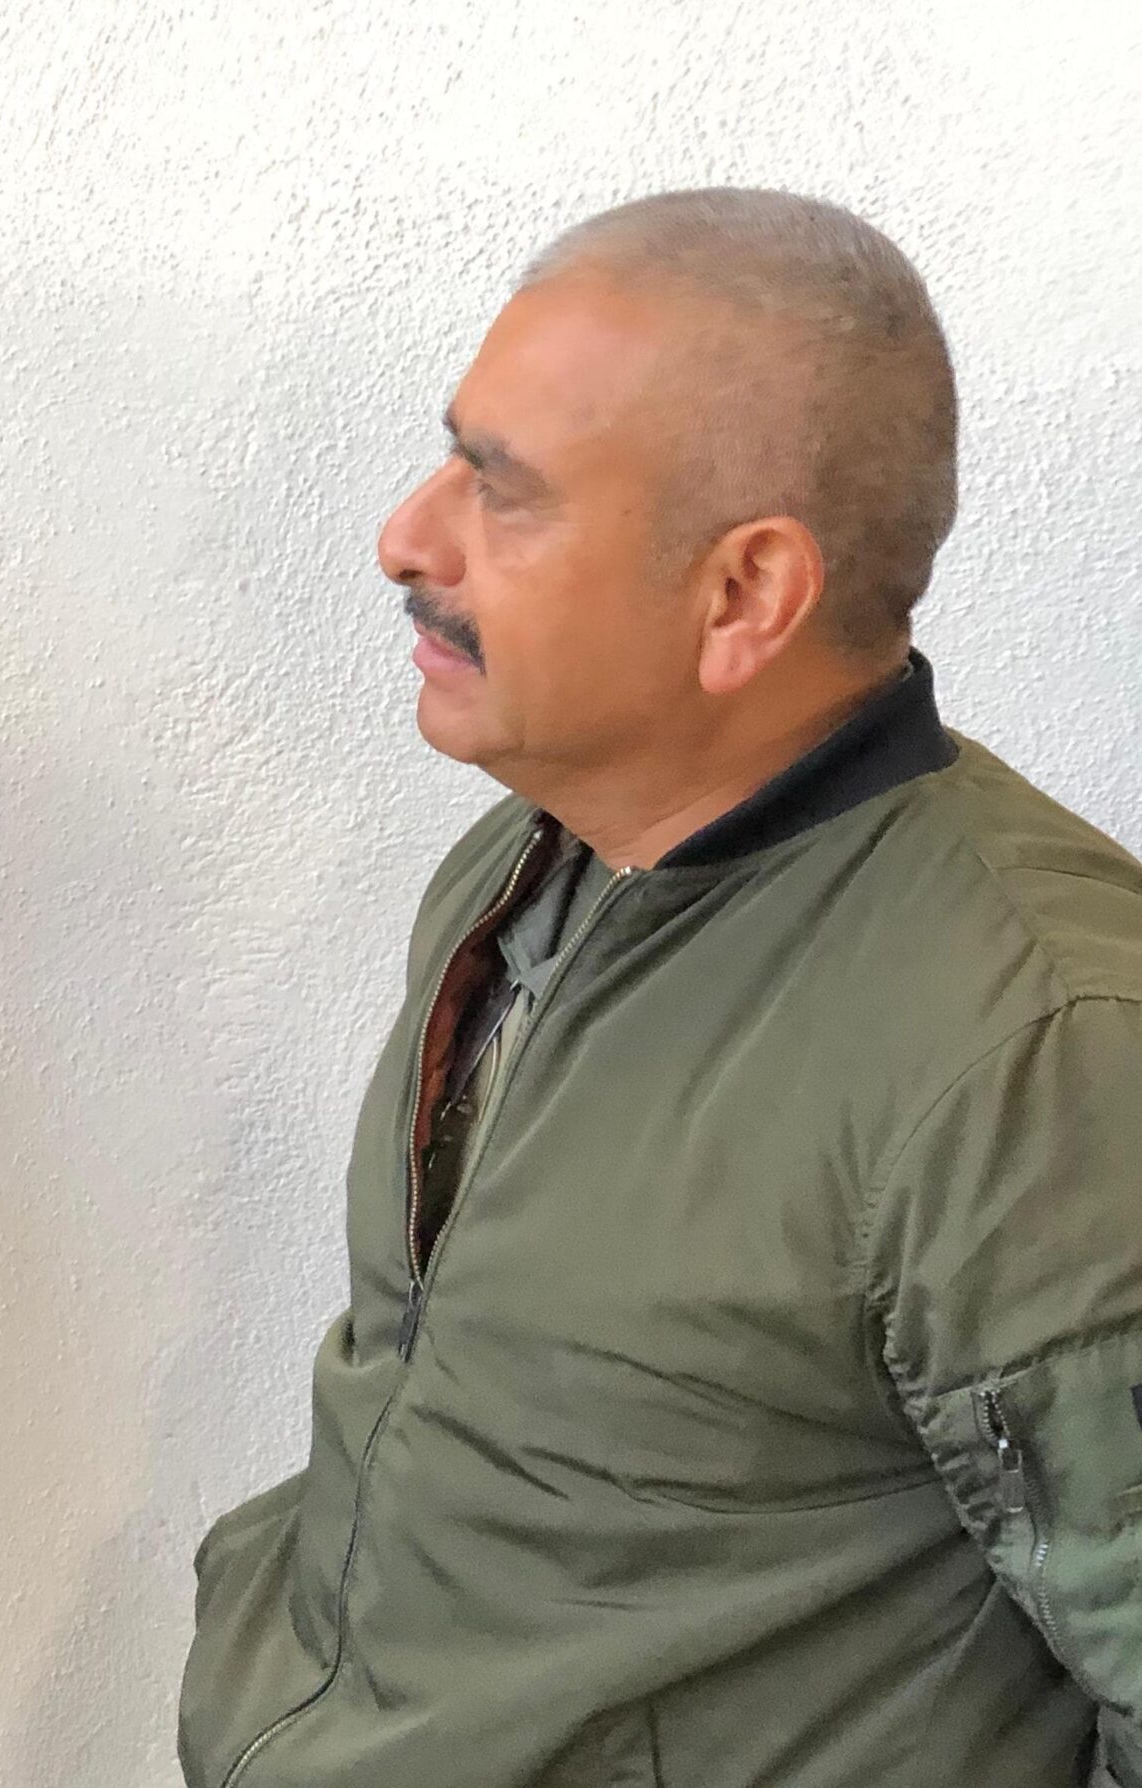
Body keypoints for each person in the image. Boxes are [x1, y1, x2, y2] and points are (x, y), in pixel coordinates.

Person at [179, 188, 1142, 1788]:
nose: (407, 537)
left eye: (503, 491)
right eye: (450, 457)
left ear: (746, 594)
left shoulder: (1038, 1060)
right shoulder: (525, 859)